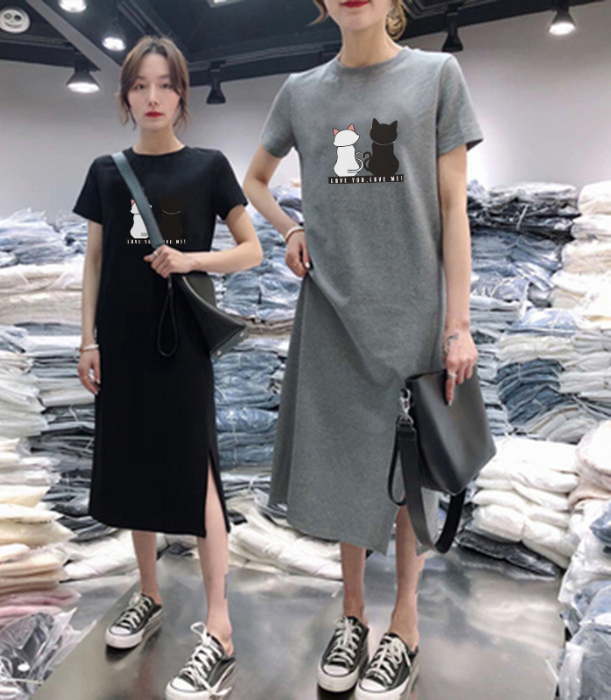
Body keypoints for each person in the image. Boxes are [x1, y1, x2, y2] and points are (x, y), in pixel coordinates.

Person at [243, 0, 483, 697]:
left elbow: (454, 208)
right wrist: (290, 229)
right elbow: (254, 179)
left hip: (411, 311)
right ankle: (352, 615)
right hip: (331, 310)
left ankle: (405, 624)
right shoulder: (300, 92)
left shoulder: (436, 78)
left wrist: (459, 321)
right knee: (345, 465)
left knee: (407, 470)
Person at [73, 35, 263, 700]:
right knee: (131, 464)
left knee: (196, 469)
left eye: (165, 85)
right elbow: (95, 261)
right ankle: (149, 595)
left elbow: (251, 250)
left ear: (182, 94)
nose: (152, 97)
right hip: (122, 341)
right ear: (125, 95)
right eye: (140, 85)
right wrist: (87, 340)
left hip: (180, 343)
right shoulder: (106, 171)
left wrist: (191, 260)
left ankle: (220, 624)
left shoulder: (209, 167)